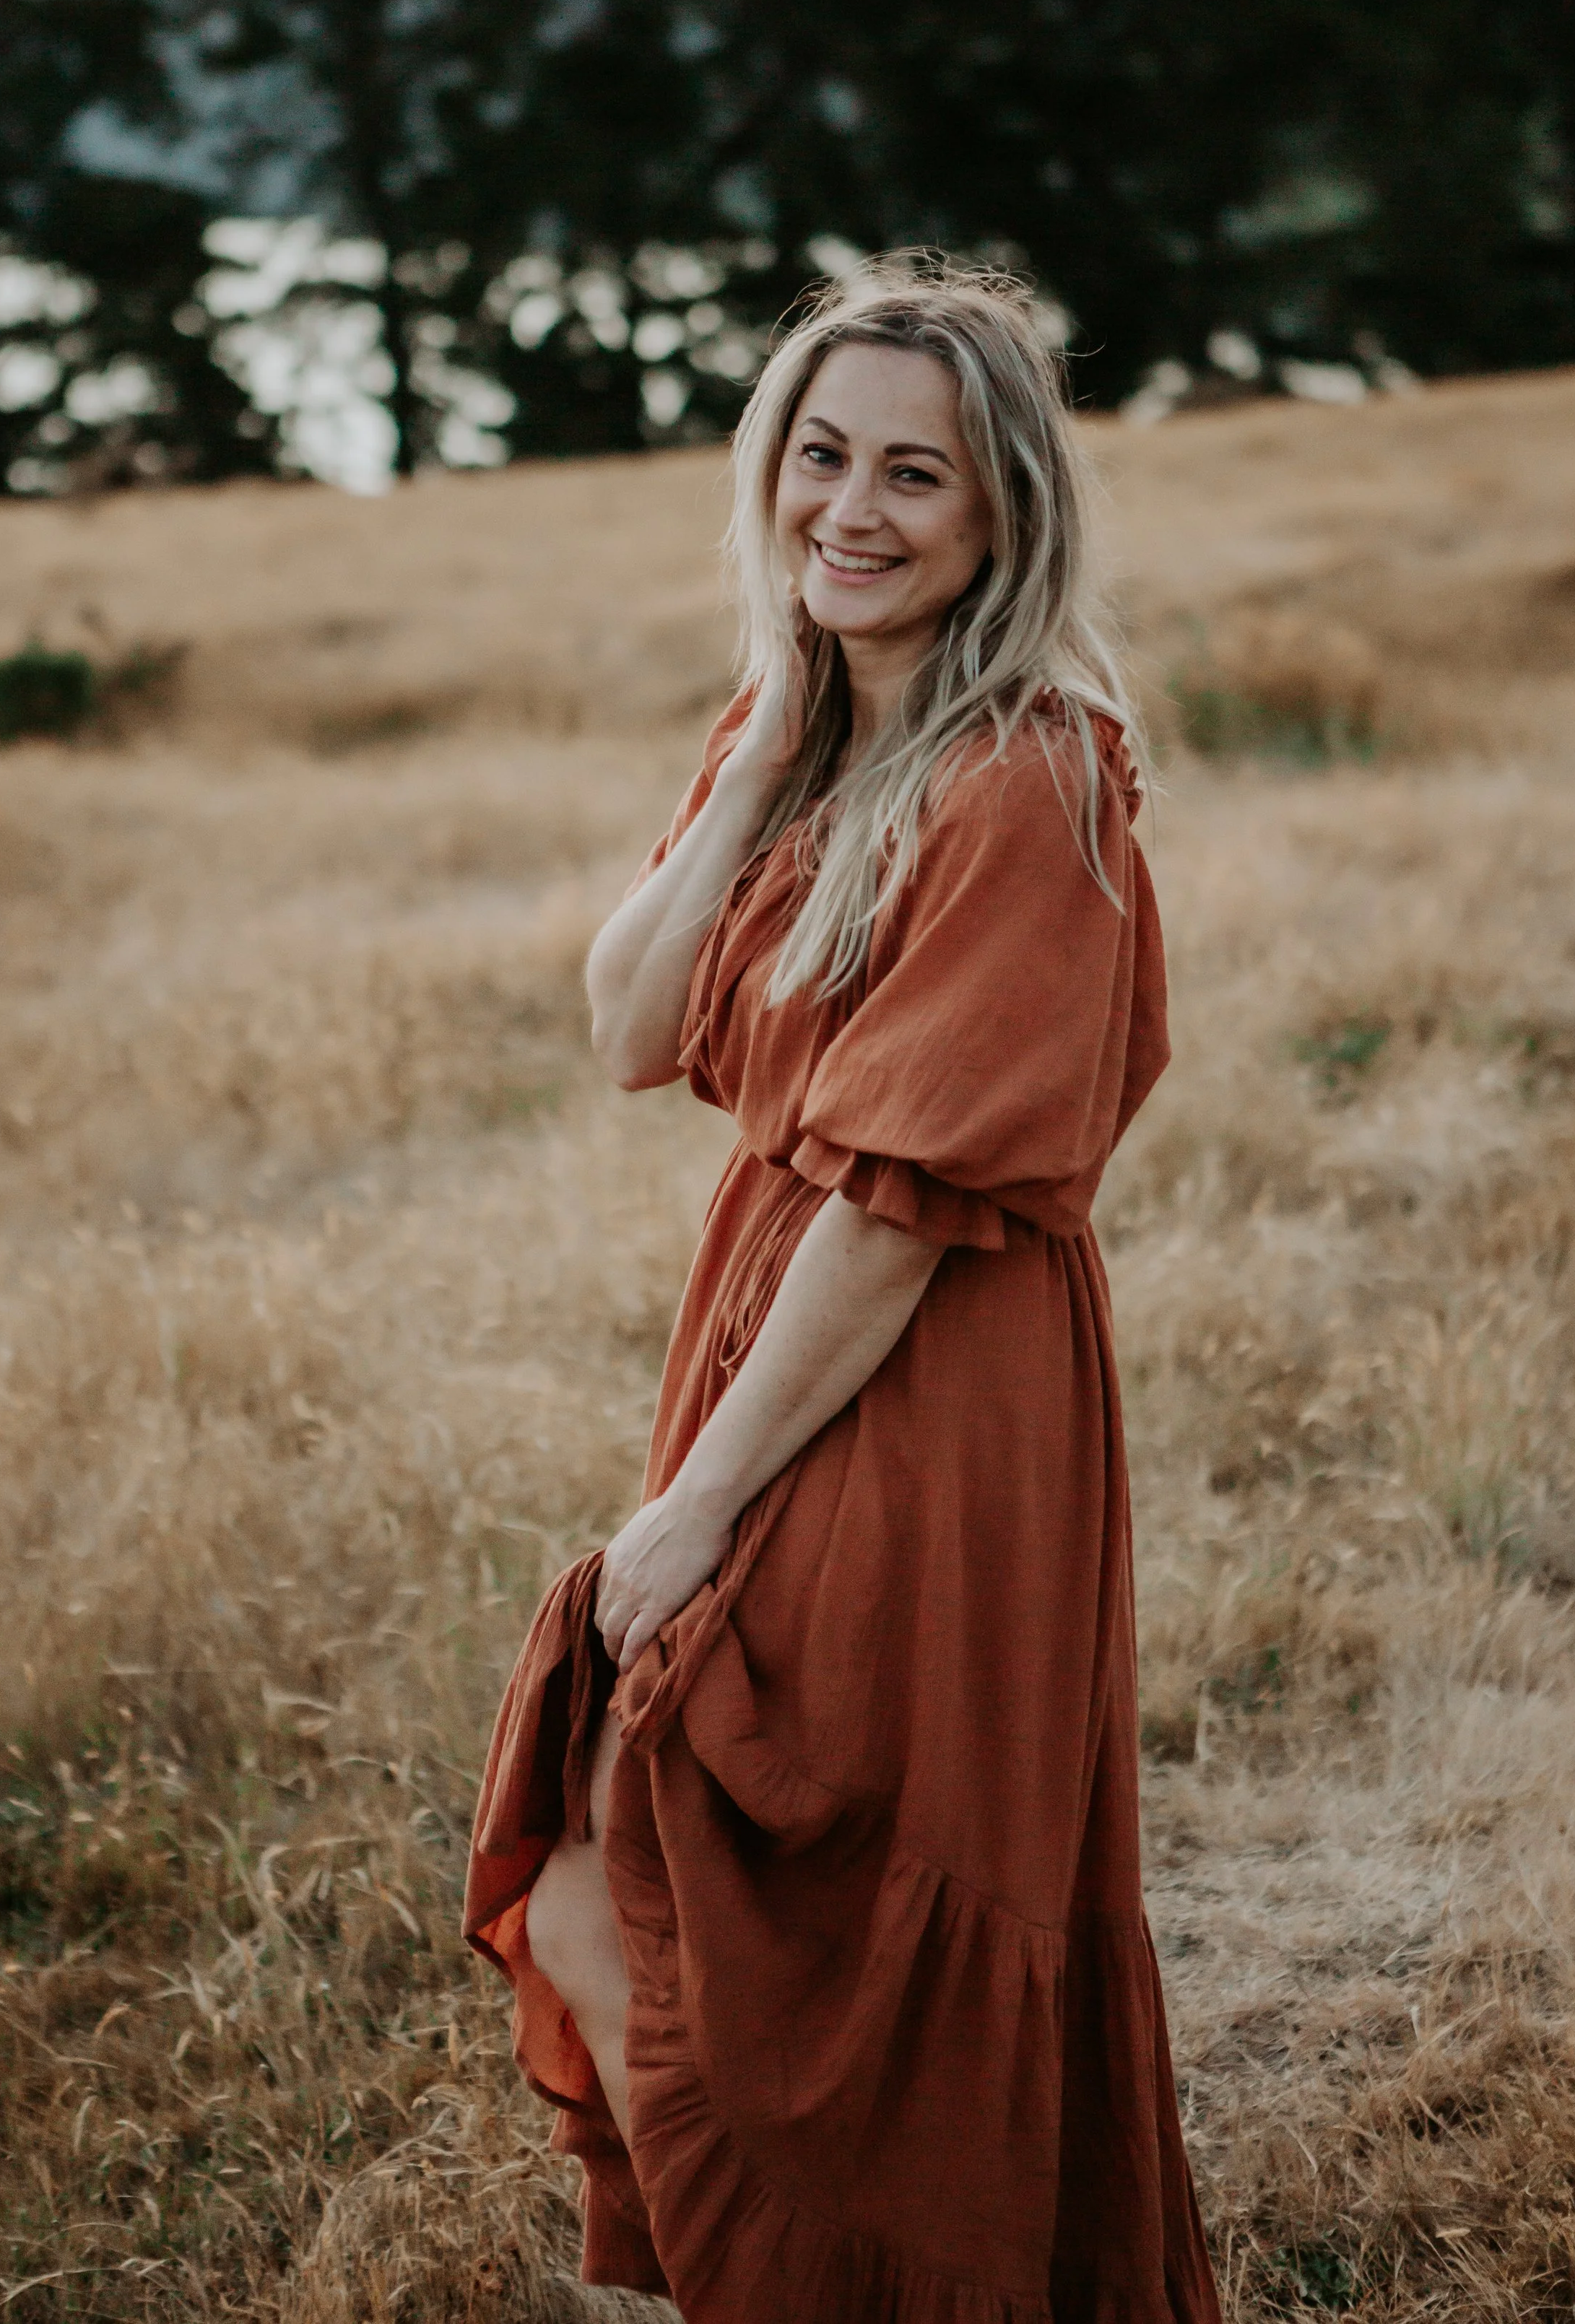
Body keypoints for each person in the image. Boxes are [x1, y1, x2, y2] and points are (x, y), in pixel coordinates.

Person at [465, 255, 1220, 2324]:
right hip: (773, 1338)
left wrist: (696, 1500)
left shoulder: (1026, 780)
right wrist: (771, 731)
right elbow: (630, 1026)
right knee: (605, 1873)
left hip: (924, 1382)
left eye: (918, 474)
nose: (854, 513)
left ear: (1002, 517)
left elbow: (895, 1217)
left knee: (707, 1848)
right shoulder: (799, 723)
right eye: (820, 459)